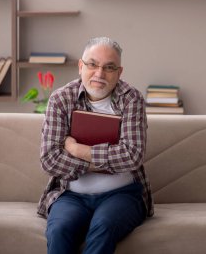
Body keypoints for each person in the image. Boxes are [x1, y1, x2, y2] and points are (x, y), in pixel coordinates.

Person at [38, 36, 153, 254]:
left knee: (103, 226)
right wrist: (101, 164)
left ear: (119, 73)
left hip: (122, 195)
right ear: (81, 66)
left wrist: (76, 150)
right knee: (59, 229)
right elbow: (49, 160)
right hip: (70, 195)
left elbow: (133, 156)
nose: (100, 74)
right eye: (92, 64)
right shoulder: (60, 99)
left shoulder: (132, 100)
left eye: (109, 67)